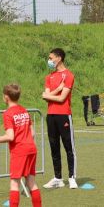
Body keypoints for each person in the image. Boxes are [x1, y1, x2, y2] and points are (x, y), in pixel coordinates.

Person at [0, 84, 41, 207]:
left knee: (14, 183)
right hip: (31, 148)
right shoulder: (24, 110)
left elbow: (10, 136)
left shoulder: (8, 114)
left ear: (6, 97)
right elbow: (33, 132)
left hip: (20, 151)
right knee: (31, 182)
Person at [42, 48, 77, 189]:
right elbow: (46, 96)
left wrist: (49, 95)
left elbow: (62, 99)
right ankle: (58, 178)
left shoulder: (69, 75)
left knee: (69, 147)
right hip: (51, 116)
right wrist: (57, 90)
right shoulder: (49, 77)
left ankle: (72, 177)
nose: (49, 61)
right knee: (54, 147)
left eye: (51, 58)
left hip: (64, 115)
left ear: (59, 58)